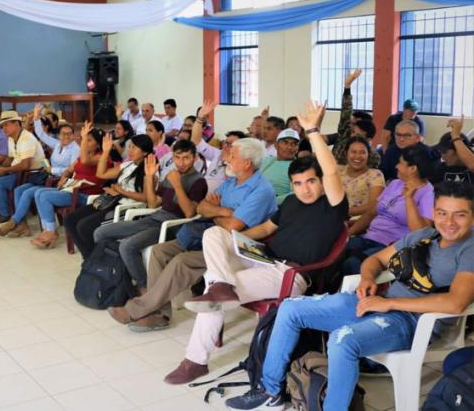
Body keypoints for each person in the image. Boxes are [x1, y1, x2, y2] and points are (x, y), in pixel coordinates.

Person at [228, 181, 474, 411]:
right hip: (378, 305)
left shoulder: (469, 250)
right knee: (290, 308)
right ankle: (270, 391)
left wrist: (388, 303)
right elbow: (375, 260)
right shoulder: (423, 237)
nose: (449, 222)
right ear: (434, 211)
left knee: (342, 340)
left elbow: (456, 302)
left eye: (460, 215)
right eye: (442, 213)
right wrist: (368, 279)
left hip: (411, 321)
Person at [168, 102, 349, 387]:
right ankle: (220, 283)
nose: (305, 189)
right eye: (298, 183)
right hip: (263, 258)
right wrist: (235, 242)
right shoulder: (291, 203)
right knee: (213, 235)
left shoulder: (333, 206)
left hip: (291, 274)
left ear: (321, 182)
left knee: (214, 291)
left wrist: (313, 130)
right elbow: (265, 229)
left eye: (311, 182)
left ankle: (195, 361)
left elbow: (332, 173)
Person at [107, 137, 277, 336]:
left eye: (232, 155)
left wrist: (215, 213)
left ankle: (135, 310)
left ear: (247, 163)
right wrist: (222, 212)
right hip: (208, 235)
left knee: (181, 261)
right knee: (159, 251)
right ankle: (159, 313)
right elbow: (202, 207)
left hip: (237, 247)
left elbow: (233, 227)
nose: (226, 159)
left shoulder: (261, 190)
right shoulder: (231, 182)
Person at [92, 140, 207, 294]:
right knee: (100, 233)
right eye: (177, 158)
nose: (181, 163)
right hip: (154, 218)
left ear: (194, 158)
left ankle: (144, 288)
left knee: (127, 246)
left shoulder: (198, 181)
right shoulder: (171, 176)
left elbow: (189, 213)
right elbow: (153, 203)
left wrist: (178, 185)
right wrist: (149, 177)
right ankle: (118, 275)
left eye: (186, 158)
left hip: (173, 226)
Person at [344, 145, 436, 274]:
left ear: (413, 168)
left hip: (392, 246)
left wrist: (409, 198)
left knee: (353, 263)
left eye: (400, 163)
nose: (396, 166)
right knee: (337, 252)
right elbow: (371, 213)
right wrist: (348, 234)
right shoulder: (395, 184)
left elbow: (421, 232)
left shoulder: (428, 193)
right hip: (369, 236)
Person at [64, 134, 155, 259]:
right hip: (113, 201)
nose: (130, 150)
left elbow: (146, 198)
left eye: (134, 147)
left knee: (84, 226)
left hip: (126, 208)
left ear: (145, 152)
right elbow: (101, 174)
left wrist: (121, 191)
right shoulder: (128, 165)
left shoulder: (150, 170)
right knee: (69, 219)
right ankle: (90, 258)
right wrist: (106, 152)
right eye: (129, 147)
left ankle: (93, 259)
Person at [0, 120, 79, 238]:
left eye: (70, 134)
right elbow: (42, 135)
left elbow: (72, 169)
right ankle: (22, 225)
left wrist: (53, 169)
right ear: (58, 135)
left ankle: (13, 222)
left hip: (59, 181)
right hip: (46, 178)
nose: (67, 136)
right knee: (19, 190)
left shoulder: (75, 149)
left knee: (27, 193)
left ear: (73, 135)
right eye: (63, 134)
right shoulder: (58, 144)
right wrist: (37, 118)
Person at [27, 123, 108, 248]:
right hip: (72, 189)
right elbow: (69, 169)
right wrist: (63, 178)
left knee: (45, 197)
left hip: (85, 194)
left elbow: (85, 161)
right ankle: (48, 230)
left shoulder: (101, 156)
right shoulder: (83, 155)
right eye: (84, 140)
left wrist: (83, 138)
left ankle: (51, 232)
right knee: (38, 193)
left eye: (89, 140)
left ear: (98, 144)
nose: (85, 143)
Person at [0, 110, 46, 224]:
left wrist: (5, 170)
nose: (4, 128)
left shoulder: (26, 138)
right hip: (16, 171)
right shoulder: (11, 138)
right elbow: (10, 158)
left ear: (16, 124)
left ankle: (5, 214)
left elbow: (25, 165)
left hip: (29, 175)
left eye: (6, 125)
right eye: (2, 126)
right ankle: (0, 210)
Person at [339, 136, 385, 217]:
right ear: (346, 153)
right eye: (353, 152)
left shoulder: (375, 175)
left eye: (362, 152)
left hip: (361, 220)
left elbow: (373, 206)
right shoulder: (338, 171)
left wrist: (343, 212)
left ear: (368, 155)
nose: (357, 156)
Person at [260, 128, 299, 203]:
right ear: (276, 145)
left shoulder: (299, 166)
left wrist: (271, 202)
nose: (289, 147)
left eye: (294, 144)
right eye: (285, 143)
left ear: (297, 149)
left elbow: (296, 194)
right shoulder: (267, 160)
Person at [433, 118, 474, 185]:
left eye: (444, 152)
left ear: (459, 151)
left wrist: (455, 136)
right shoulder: (441, 169)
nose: (442, 157)